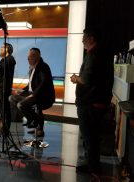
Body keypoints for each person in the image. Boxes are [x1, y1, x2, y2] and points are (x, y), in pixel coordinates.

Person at [70, 27, 113, 174]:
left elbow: (86, 79)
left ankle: (94, 168)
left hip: (90, 103)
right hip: (97, 102)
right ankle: (91, 164)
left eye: (84, 37)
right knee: (92, 136)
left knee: (90, 137)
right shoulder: (101, 53)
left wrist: (75, 78)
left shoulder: (93, 55)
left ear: (92, 38)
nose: (82, 40)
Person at [9, 48, 55, 137]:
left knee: (21, 105)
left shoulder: (43, 67)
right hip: (32, 94)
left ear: (36, 57)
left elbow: (43, 83)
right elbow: (30, 85)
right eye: (28, 58)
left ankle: (34, 121)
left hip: (42, 96)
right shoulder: (32, 68)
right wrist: (21, 92)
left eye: (29, 58)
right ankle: (35, 122)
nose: (28, 60)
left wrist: (33, 95)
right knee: (12, 98)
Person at [0, 43, 16, 133]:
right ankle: (4, 126)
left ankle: (6, 128)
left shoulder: (10, 59)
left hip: (4, 89)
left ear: (8, 49)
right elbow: (0, 74)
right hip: (0, 88)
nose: (1, 49)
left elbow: (2, 70)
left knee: (5, 109)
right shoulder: (4, 60)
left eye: (3, 47)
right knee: (2, 109)